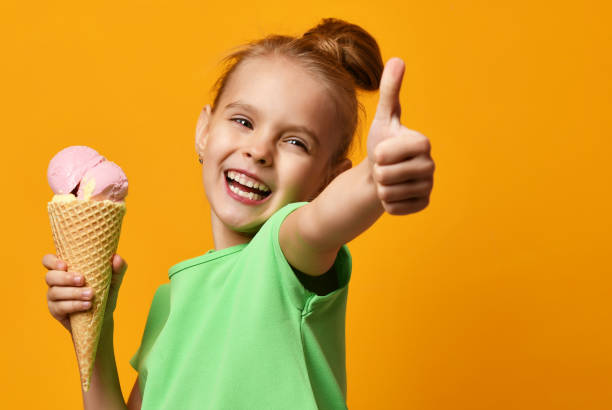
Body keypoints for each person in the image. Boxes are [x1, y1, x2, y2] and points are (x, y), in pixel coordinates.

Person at [42, 17, 435, 410]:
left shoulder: (287, 256)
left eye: (296, 142)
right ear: (204, 131)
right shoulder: (172, 302)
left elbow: (320, 222)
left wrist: (375, 176)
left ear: (329, 180)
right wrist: (92, 329)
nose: (259, 149)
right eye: (243, 121)